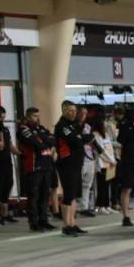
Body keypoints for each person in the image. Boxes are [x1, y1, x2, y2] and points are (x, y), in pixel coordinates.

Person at [17, 107, 55, 233]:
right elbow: (35, 143)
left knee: (45, 194)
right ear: (27, 117)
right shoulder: (23, 130)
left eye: (38, 115)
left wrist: (43, 139)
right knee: (33, 195)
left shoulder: (41, 128)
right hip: (33, 166)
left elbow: (52, 140)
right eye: (34, 116)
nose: (37, 118)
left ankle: (44, 220)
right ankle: (33, 222)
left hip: (46, 165)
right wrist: (44, 140)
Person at [54, 100, 88, 236]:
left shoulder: (73, 125)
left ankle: (72, 223)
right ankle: (66, 225)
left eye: (75, 111)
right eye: (70, 111)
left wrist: (81, 137)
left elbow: (80, 138)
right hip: (66, 164)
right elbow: (75, 140)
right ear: (63, 110)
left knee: (74, 195)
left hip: (76, 163)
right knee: (68, 194)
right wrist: (81, 138)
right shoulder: (62, 126)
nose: (74, 113)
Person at [0, 107, 20, 225]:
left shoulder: (5, 130)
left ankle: (5, 214)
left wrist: (17, 152)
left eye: (4, 117)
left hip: (7, 160)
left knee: (8, 184)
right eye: (1, 117)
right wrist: (0, 131)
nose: (3, 119)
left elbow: (9, 144)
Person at [91, 117, 117, 214]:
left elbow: (110, 148)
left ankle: (107, 205)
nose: (106, 124)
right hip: (102, 163)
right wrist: (110, 160)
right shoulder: (95, 135)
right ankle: (100, 206)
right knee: (101, 186)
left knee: (107, 185)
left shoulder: (106, 134)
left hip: (110, 164)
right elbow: (101, 151)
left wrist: (113, 160)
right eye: (105, 122)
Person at [77, 106, 98, 218]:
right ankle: (75, 206)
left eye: (85, 113)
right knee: (77, 183)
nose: (83, 115)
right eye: (82, 113)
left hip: (89, 156)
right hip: (79, 158)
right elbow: (82, 138)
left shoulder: (87, 126)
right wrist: (86, 138)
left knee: (87, 184)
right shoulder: (74, 126)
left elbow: (90, 139)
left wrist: (88, 138)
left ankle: (84, 207)